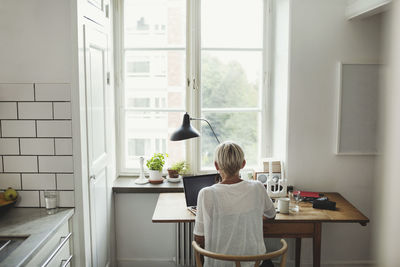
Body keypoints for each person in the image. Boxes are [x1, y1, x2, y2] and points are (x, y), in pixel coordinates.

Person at [194, 141, 276, 267]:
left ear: (216, 165)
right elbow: (271, 215)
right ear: (243, 164)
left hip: (218, 264)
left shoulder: (206, 194)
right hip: (255, 263)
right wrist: (253, 217)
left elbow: (199, 239)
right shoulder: (257, 187)